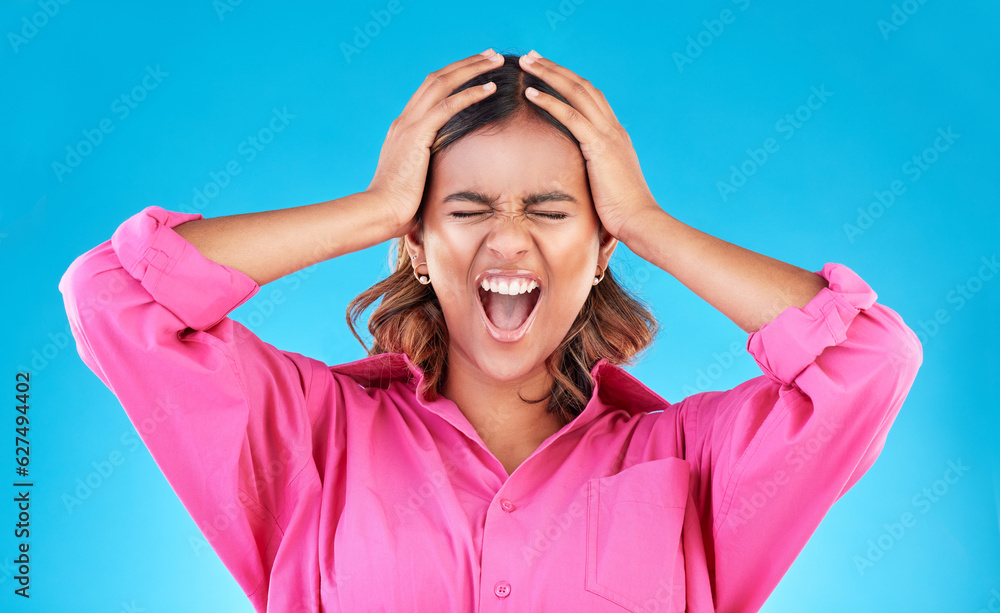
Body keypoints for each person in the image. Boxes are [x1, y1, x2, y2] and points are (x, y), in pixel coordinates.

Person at [58, 48, 922, 612]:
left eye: (551, 210)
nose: (508, 240)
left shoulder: (693, 462)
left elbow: (871, 359)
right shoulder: (314, 435)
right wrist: (372, 209)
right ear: (418, 244)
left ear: (601, 251)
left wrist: (647, 221)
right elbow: (111, 296)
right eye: (466, 209)